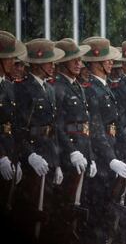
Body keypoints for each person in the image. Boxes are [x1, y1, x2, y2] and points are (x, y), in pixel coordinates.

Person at [14, 38, 65, 243]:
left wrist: (58, 163)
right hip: (33, 156)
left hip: (49, 155)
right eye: (49, 62)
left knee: (47, 213)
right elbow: (19, 128)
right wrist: (30, 155)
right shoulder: (23, 88)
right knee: (30, 213)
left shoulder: (49, 89)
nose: (53, 66)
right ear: (36, 63)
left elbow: (53, 130)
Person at [80, 36, 126, 243]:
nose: (111, 62)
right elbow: (97, 130)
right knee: (97, 215)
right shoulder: (91, 90)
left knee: (109, 214)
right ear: (95, 62)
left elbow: (114, 126)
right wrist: (110, 158)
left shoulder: (104, 87)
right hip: (100, 160)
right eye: (106, 59)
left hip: (110, 156)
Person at [53, 38, 97, 243]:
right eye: (74, 60)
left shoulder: (77, 86)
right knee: (66, 206)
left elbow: (85, 126)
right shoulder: (59, 87)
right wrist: (71, 151)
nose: (79, 63)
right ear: (62, 62)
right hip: (68, 155)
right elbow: (58, 125)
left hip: (82, 153)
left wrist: (91, 155)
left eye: (80, 60)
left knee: (77, 205)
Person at [0, 31, 26, 217]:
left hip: (10, 154)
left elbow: (13, 126)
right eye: (8, 58)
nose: (12, 63)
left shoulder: (8, 86)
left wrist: (15, 158)